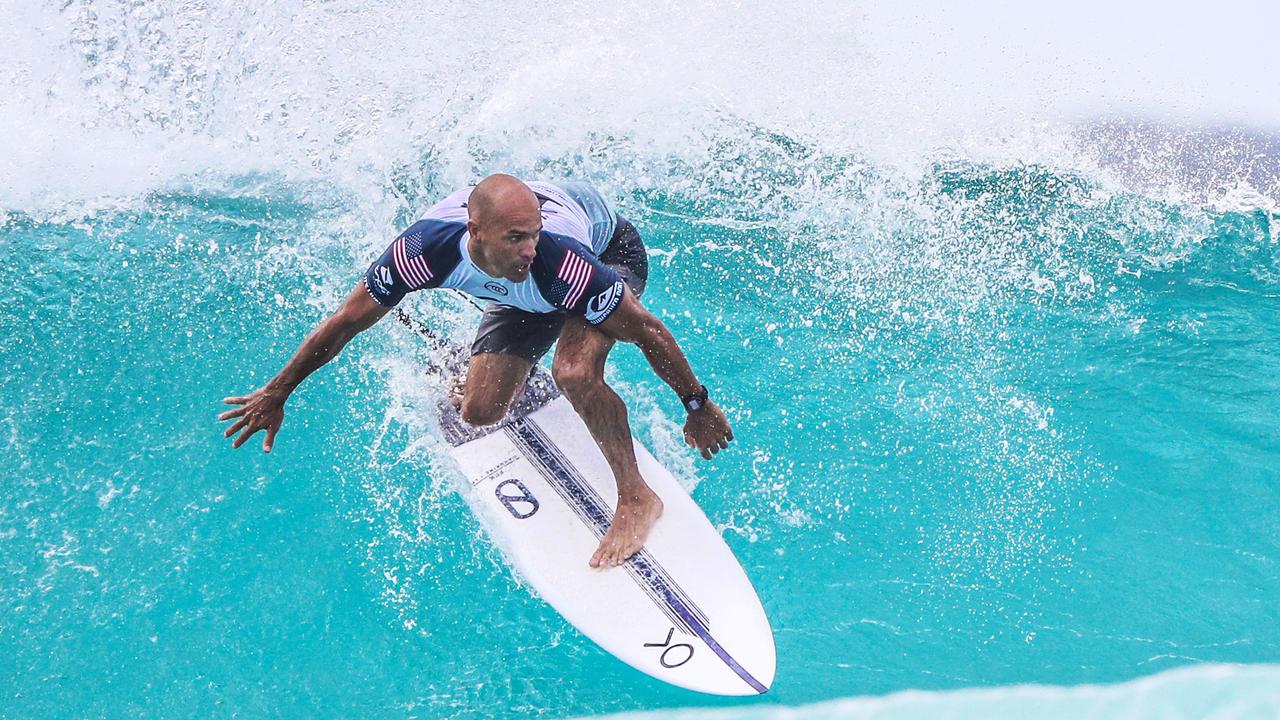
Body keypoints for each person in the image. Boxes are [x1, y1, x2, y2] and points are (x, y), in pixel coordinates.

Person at [219, 174, 733, 568]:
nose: (528, 249)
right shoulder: (424, 252)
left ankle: (637, 496)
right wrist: (278, 391)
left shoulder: (557, 261)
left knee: (574, 371)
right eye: (515, 238)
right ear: (475, 232)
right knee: (480, 412)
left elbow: (649, 332)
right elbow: (344, 323)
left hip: (608, 252)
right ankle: (497, 368)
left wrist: (697, 404)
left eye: (533, 235)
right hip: (522, 291)